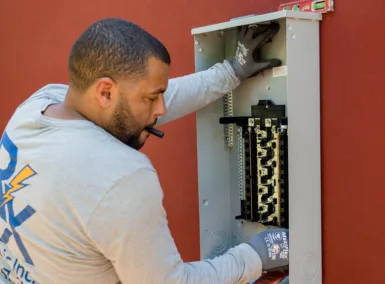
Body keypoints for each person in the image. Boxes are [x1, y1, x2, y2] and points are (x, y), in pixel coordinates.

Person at [0, 18, 289, 283]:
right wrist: (256, 255)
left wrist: (229, 73)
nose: (161, 109)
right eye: (152, 98)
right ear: (104, 92)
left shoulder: (35, 108)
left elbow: (134, 107)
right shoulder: (119, 176)